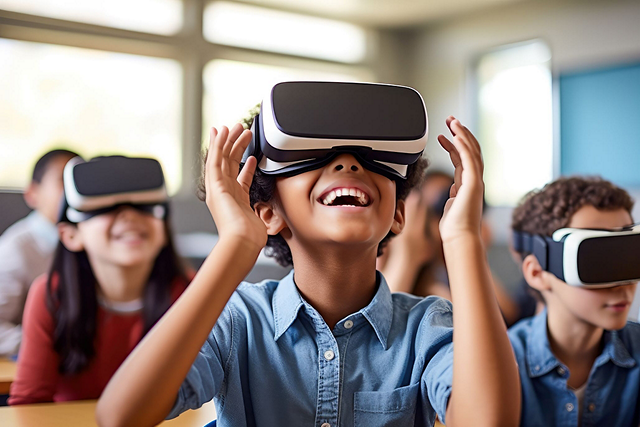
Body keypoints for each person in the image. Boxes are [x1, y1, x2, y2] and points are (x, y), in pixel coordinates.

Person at [97, 109, 520, 426]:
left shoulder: (427, 326)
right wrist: (237, 243)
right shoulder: (239, 320)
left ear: (398, 215)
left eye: (370, 157)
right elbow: (121, 415)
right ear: (267, 213)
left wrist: (463, 239)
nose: (348, 162)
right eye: (313, 154)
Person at [8, 156, 189, 405]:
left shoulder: (194, 291)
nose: (129, 216)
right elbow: (29, 403)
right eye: (105, 209)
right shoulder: (51, 294)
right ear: (70, 234)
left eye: (145, 206)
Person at [508, 176, 640, 426]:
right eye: (597, 262)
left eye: (630, 255)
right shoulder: (503, 364)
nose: (622, 285)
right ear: (537, 273)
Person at [378, 171, 522, 325]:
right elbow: (375, 326)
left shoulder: (440, 293)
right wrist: (407, 255)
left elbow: (508, 316)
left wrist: (470, 250)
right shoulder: (381, 257)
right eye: (440, 207)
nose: (448, 219)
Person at [0, 149, 78, 356]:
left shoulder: (91, 239)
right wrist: (51, 346)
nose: (74, 189)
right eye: (63, 181)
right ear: (32, 194)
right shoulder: (15, 248)